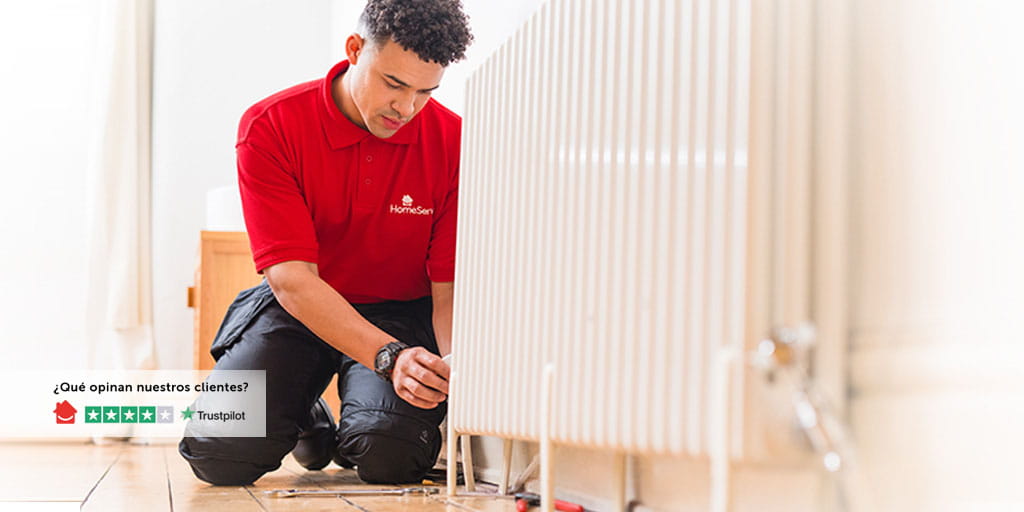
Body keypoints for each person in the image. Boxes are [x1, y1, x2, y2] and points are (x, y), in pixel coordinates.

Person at [178, 0, 473, 485]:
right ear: (354, 49)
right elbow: (292, 280)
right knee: (218, 453)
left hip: (398, 314)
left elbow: (448, 292)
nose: (408, 108)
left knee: (391, 457)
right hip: (298, 308)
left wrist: (453, 373)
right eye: (394, 84)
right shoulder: (270, 126)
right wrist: (387, 357)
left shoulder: (452, 142)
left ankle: (337, 412)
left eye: (426, 91)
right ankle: (303, 410)